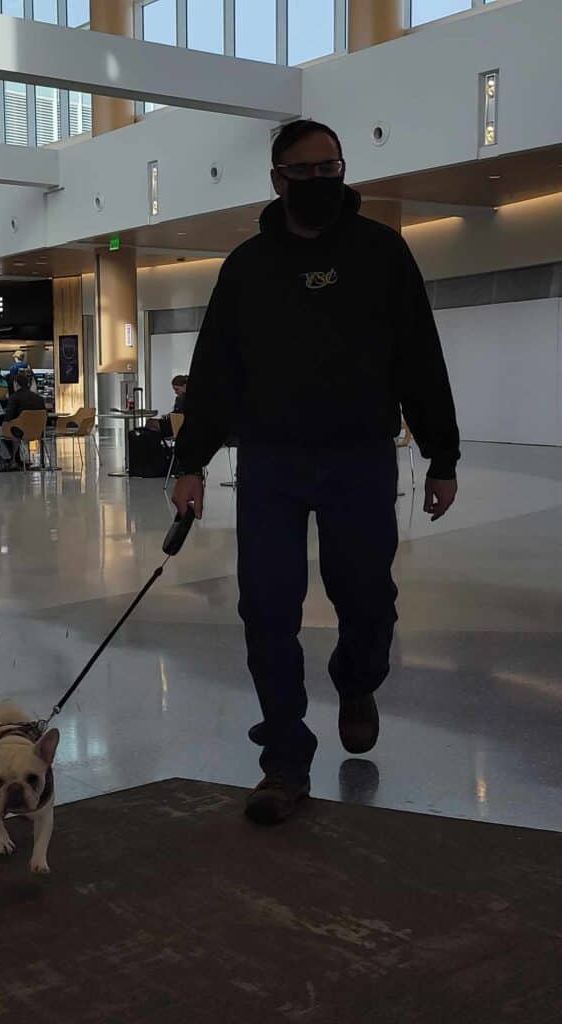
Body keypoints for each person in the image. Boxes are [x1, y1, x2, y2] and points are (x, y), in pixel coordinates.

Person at [173, 119, 460, 826]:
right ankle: (284, 762)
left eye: (329, 168)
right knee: (266, 611)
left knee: (366, 601)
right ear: (277, 180)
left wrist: (441, 455)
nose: (319, 182)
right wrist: (190, 461)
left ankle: (357, 683)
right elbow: (215, 373)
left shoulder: (381, 253)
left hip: (359, 457)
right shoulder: (247, 266)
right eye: (303, 172)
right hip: (270, 462)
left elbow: (420, 356)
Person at [0, 369, 45, 467]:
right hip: (37, 432)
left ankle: (7, 458)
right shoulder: (39, 398)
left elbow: (8, 417)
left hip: (20, 431)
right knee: (15, 431)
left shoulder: (14, 397)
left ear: (16, 384)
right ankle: (18, 459)